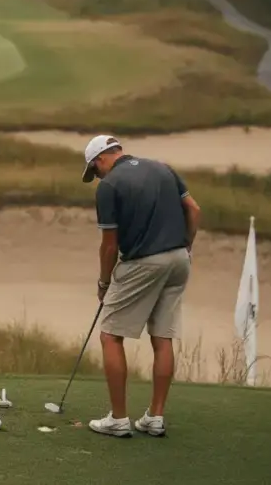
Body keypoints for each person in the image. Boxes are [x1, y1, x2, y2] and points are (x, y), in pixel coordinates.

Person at [80, 134, 201, 438]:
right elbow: (194, 210)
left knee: (110, 335)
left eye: (94, 171)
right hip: (179, 260)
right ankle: (154, 418)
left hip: (144, 262)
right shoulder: (163, 168)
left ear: (100, 160)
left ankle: (119, 419)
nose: (97, 177)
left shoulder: (109, 186)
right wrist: (185, 247)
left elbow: (109, 246)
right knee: (162, 337)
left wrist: (104, 282)